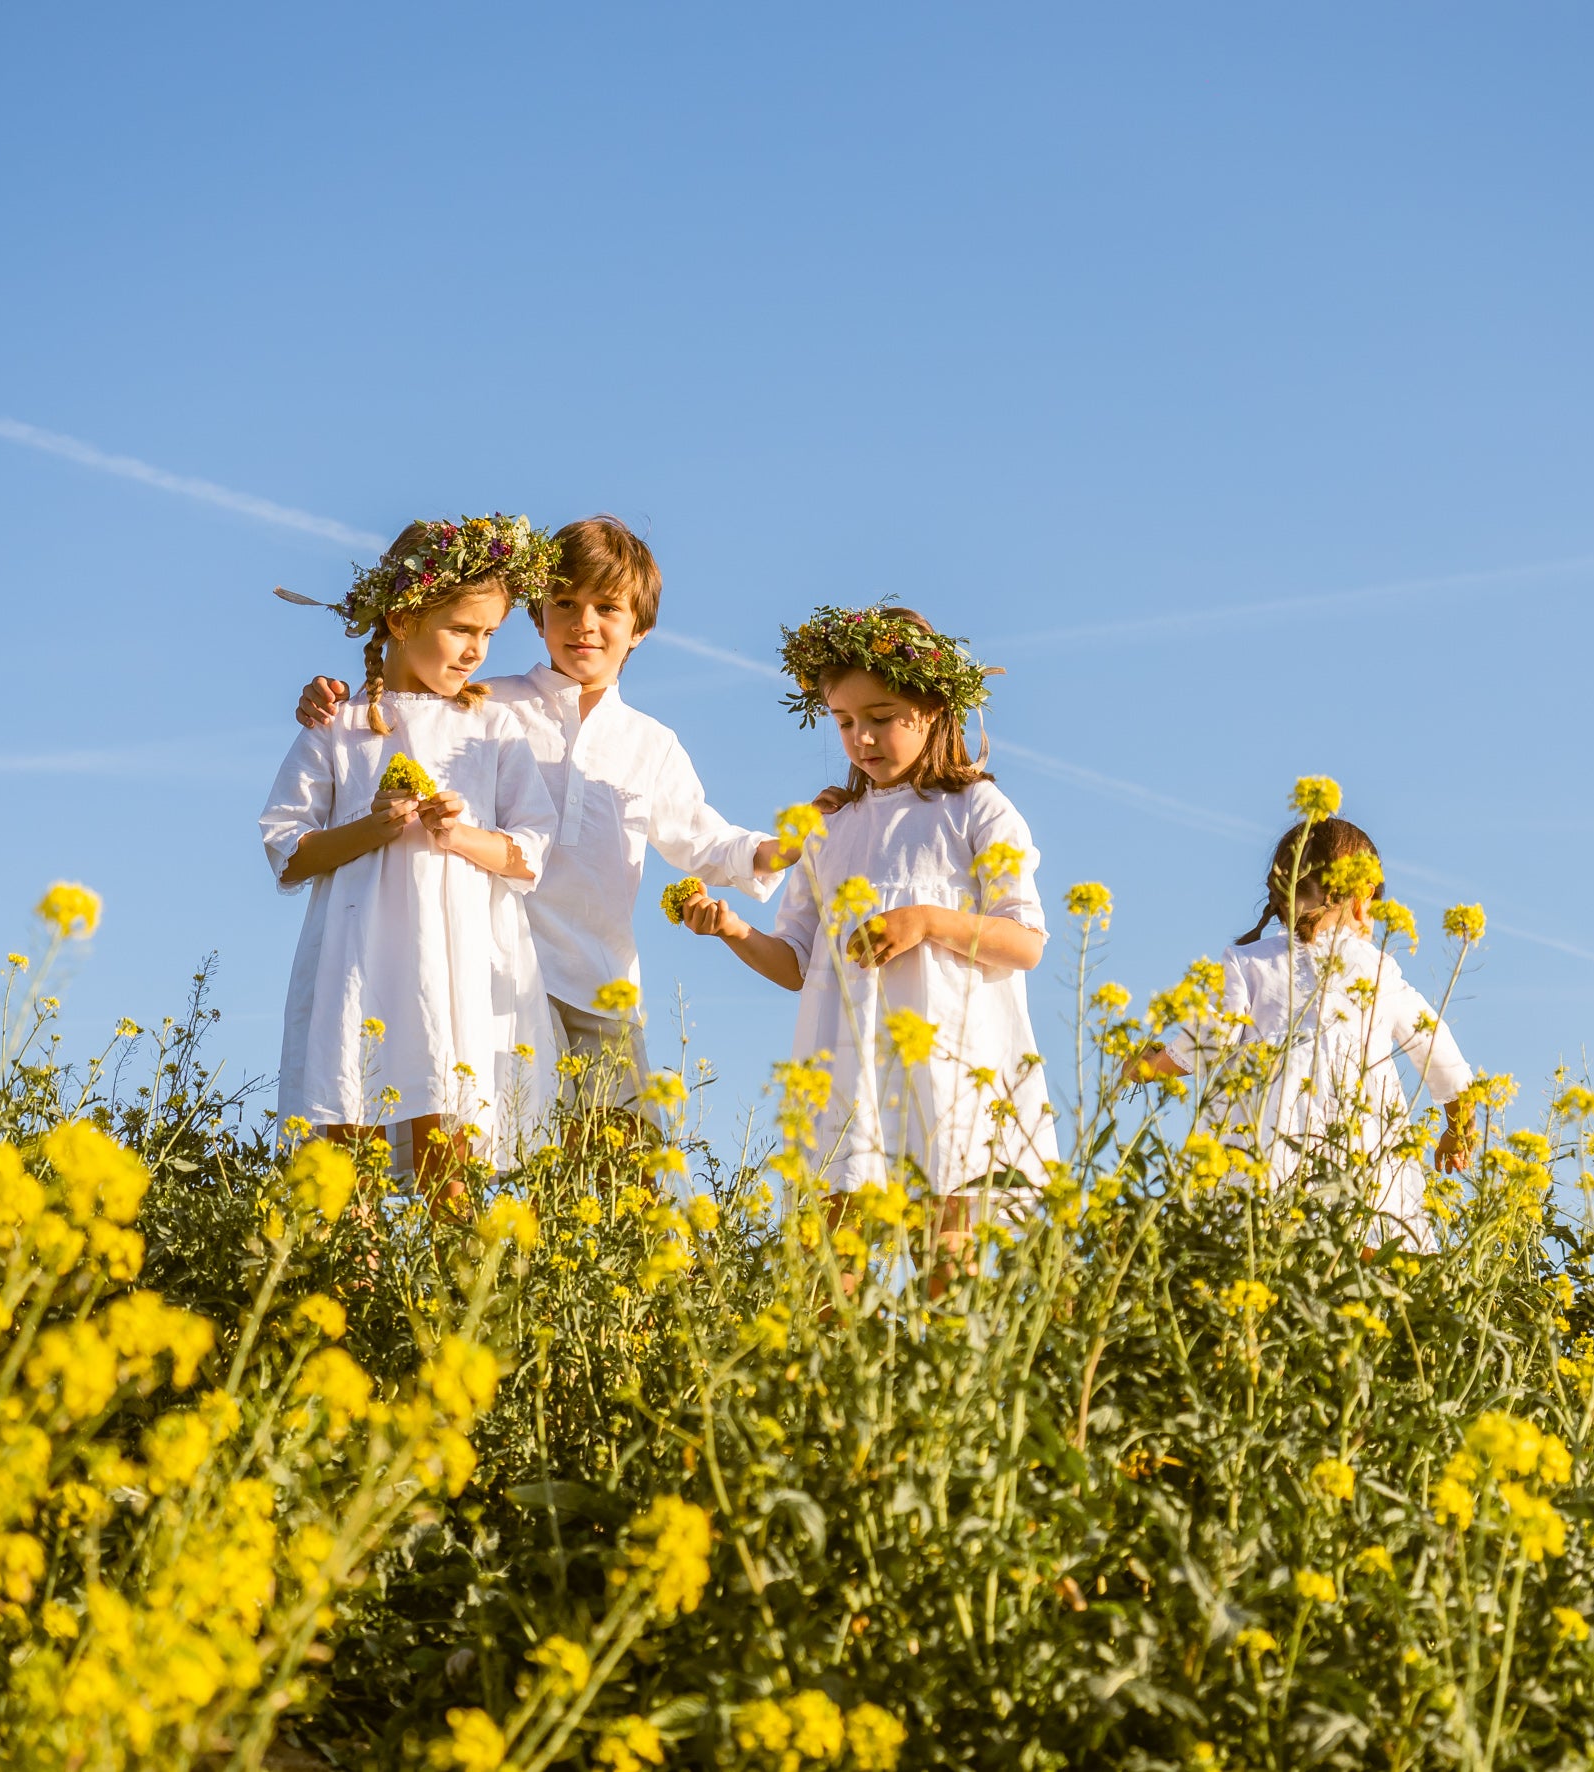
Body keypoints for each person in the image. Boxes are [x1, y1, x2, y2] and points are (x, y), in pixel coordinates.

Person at [293, 516, 792, 1104]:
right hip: (486, 971)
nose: (584, 624)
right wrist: (331, 692)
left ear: (641, 630)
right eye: (564, 602)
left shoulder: (650, 743)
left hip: (597, 979)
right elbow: (402, 708)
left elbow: (704, 839)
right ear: (536, 616)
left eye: (608, 608)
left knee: (620, 1166)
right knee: (501, 1152)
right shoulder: (481, 702)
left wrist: (791, 842)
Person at [679, 604, 1056, 1275]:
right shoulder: (829, 825)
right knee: (833, 1265)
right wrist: (733, 928)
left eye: (880, 718)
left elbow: (1025, 941)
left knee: (947, 1262)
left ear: (934, 709)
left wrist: (928, 921)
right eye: (845, 722)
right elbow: (797, 961)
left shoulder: (975, 808)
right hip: (847, 1071)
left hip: (946, 1069)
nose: (861, 739)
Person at [261, 514, 562, 1195]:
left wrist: (459, 834)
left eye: (489, 634)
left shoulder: (494, 726)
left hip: (454, 965)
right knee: (348, 1138)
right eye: (462, 629)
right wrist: (369, 830)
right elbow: (287, 851)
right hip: (358, 959)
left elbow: (531, 850)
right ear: (401, 620)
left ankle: (455, 1296)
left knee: (445, 1143)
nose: (477, 651)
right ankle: (353, 1288)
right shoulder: (338, 725)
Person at [1134, 815, 1475, 1237]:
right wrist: (1457, 1130)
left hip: (1266, 1144)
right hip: (1360, 1142)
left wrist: (1147, 1067)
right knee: (1368, 1240)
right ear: (1363, 896)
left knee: (1258, 1243)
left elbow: (1209, 1038)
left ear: (1280, 895)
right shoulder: (1380, 969)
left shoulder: (1248, 961)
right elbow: (1439, 1049)